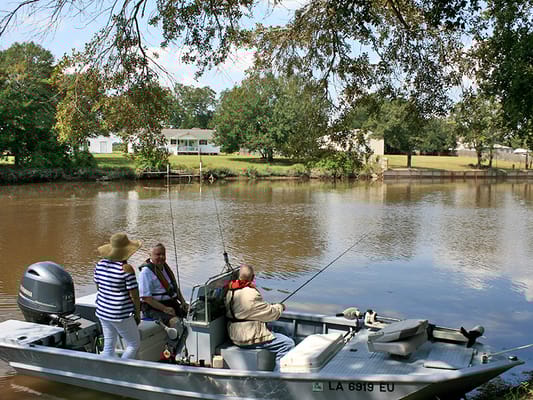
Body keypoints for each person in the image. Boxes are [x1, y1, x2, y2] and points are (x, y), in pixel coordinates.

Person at [225, 265, 295, 369]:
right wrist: (280, 307)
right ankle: (278, 377)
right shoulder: (252, 294)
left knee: (283, 330)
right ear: (253, 277)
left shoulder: (231, 291)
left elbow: (254, 310)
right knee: (288, 344)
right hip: (247, 337)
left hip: (235, 332)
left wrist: (270, 306)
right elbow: (271, 314)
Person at [94, 232, 142, 359]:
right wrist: (137, 313)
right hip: (120, 314)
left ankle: (107, 370)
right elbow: (134, 296)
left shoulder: (99, 265)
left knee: (109, 344)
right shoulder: (126, 268)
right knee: (134, 344)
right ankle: (122, 369)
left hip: (103, 311)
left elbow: (98, 287)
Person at [138, 243, 188, 326]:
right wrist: (164, 309)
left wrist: (183, 302)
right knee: (176, 322)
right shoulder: (146, 272)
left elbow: (174, 288)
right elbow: (146, 298)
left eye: (163, 254)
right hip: (153, 308)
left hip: (170, 302)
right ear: (150, 255)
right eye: (158, 254)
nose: (161, 257)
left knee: (193, 313)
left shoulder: (164, 267)